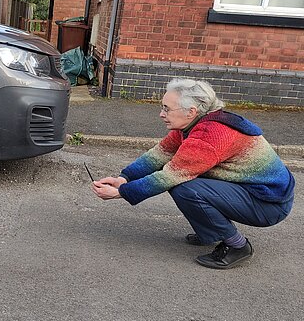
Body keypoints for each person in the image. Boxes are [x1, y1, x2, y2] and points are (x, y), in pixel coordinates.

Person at [91, 78, 295, 269]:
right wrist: (123, 178)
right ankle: (214, 231)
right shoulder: (194, 123)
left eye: (167, 109)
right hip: (251, 191)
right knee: (186, 179)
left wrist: (122, 192)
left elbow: (168, 176)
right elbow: (159, 154)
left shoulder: (208, 136)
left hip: (268, 204)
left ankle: (237, 246)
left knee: (184, 187)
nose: (161, 114)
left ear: (191, 111)